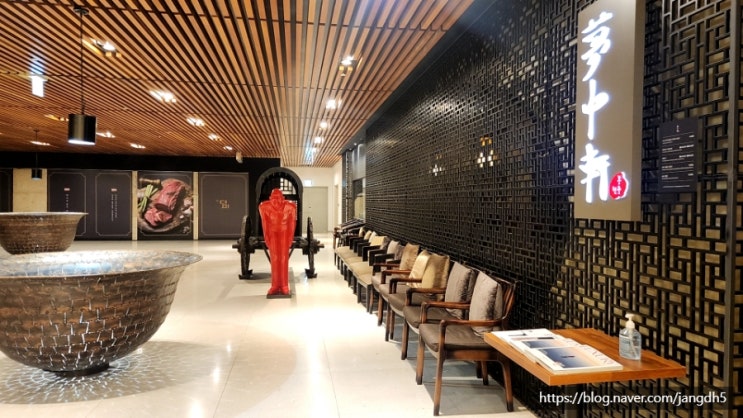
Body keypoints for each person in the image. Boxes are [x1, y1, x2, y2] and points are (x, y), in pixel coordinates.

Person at [259, 188, 297, 296]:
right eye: (274, 199)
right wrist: (267, 237)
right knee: (275, 259)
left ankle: (284, 285)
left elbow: (292, 223)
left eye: (279, 198)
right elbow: (265, 223)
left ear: (283, 198)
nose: (276, 201)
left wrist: (290, 238)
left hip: (284, 233)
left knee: (284, 259)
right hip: (273, 234)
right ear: (270, 199)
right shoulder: (264, 207)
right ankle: (275, 285)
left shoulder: (290, 207)